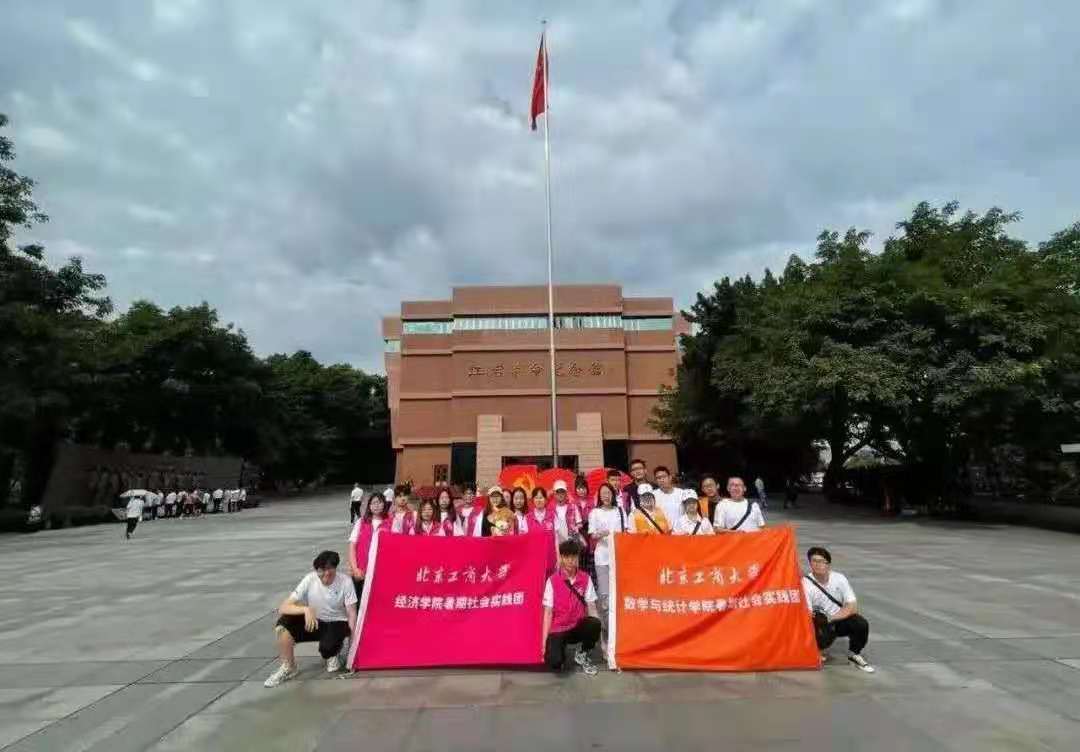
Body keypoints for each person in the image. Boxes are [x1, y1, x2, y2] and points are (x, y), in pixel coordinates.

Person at [263, 550, 358, 687]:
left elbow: (352, 615)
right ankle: (289, 667)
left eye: (329, 569)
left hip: (337, 622)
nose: (325, 574)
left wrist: (353, 649)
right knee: (283, 624)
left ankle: (334, 652)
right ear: (316, 570)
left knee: (327, 650)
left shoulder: (345, 581)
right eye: (321, 570)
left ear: (335, 568)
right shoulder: (310, 579)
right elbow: (283, 607)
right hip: (315, 621)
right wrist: (306, 609)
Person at [802, 546, 874, 673]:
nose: (817, 565)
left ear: (828, 564)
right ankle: (815, 650)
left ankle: (854, 654)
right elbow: (806, 614)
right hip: (819, 622)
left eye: (821, 561)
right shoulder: (805, 583)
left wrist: (832, 618)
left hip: (837, 618)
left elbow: (852, 606)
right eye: (814, 561)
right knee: (816, 630)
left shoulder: (839, 578)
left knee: (860, 624)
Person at [541, 540, 601, 676]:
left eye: (573, 557)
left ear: (578, 558)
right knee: (554, 662)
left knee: (594, 623)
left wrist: (595, 629)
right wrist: (544, 643)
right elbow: (548, 613)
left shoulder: (585, 578)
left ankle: (582, 652)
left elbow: (591, 606)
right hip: (559, 628)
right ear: (561, 558)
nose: (570, 561)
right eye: (566, 557)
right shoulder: (552, 581)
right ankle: (559, 649)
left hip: (577, 626)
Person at [587, 483, 626, 629]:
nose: (606, 496)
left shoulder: (619, 510)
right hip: (602, 557)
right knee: (604, 593)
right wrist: (600, 533)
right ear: (599, 496)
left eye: (608, 493)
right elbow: (592, 534)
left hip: (619, 556)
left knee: (619, 590)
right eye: (603, 493)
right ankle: (607, 626)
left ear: (613, 495)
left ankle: (619, 623)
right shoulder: (595, 512)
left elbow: (626, 531)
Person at [349, 493, 388, 601]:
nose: (376, 505)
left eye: (379, 502)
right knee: (360, 601)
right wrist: (355, 568)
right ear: (369, 506)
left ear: (384, 504)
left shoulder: (390, 523)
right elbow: (352, 546)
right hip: (361, 572)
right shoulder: (361, 522)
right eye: (373, 503)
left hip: (381, 573)